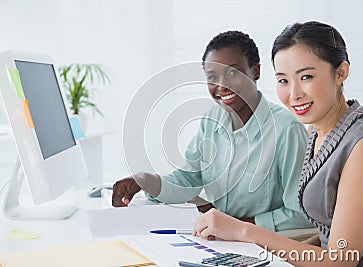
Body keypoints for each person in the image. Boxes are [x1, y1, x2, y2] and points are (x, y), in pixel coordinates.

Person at [192, 21, 363, 267]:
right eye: (283, 81)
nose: (294, 94)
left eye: (306, 77)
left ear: (341, 73)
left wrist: (244, 231)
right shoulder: (319, 131)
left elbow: (341, 260)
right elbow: (329, 237)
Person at [113, 31, 313, 232]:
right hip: (219, 239)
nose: (222, 85)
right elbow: (187, 180)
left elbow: (300, 214)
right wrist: (145, 181)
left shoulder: (286, 129)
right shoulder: (211, 120)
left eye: (233, 73)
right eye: (212, 77)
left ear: (256, 71)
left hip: (264, 245)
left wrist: (235, 226)